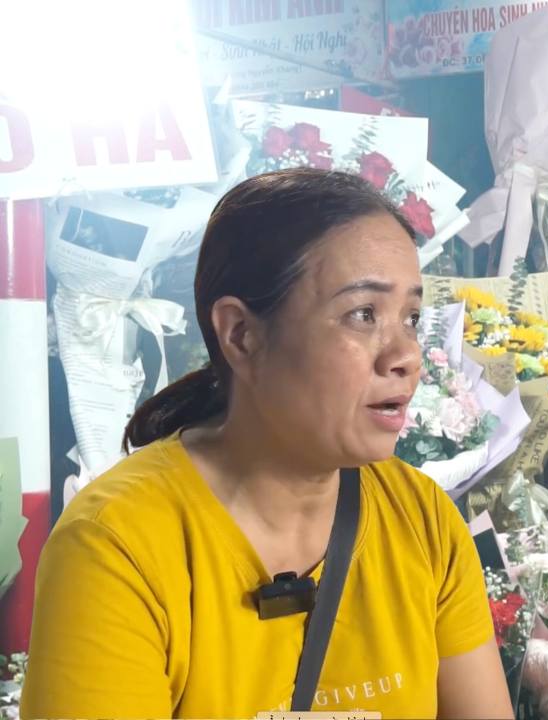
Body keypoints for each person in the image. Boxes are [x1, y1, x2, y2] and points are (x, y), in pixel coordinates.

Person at [22, 169, 513, 719]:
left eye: (411, 318)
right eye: (363, 314)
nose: (404, 354)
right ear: (241, 334)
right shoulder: (118, 546)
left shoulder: (424, 522)